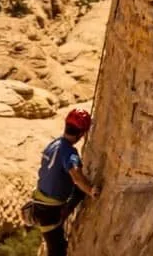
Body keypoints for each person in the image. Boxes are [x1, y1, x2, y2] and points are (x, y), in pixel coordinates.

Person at [29, 108, 99, 256]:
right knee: (58, 251)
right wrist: (92, 190)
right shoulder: (70, 153)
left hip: (40, 204)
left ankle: (63, 217)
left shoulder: (53, 144)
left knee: (78, 192)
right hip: (49, 211)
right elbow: (76, 177)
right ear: (81, 134)